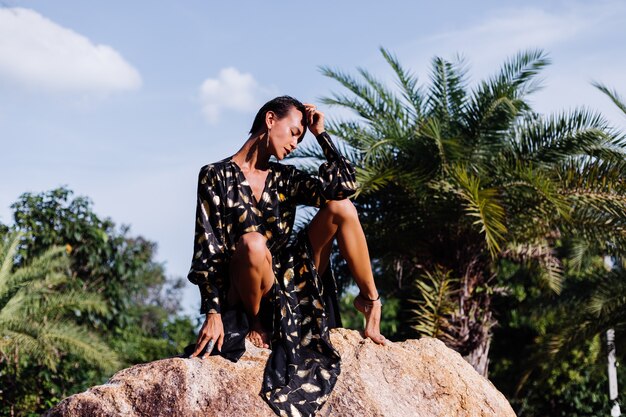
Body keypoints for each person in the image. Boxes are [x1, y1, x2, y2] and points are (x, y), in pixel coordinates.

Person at [186, 96, 385, 416]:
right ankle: (257, 323)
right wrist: (212, 311)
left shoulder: (285, 179)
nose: (295, 143)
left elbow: (345, 187)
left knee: (342, 208)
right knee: (253, 243)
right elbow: (206, 247)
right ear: (269, 121)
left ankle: (369, 300)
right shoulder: (215, 175)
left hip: (290, 285)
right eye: (294, 132)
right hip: (245, 285)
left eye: (301, 138)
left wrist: (322, 135)